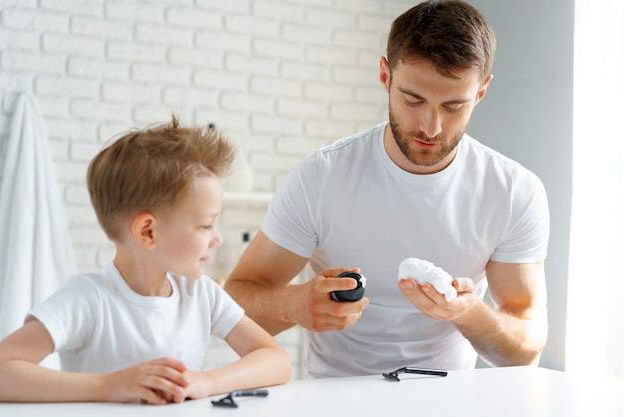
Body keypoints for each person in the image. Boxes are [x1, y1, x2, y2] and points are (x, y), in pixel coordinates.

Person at [224, 0, 550, 378]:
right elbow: (233, 301)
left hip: (448, 400)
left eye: (453, 106)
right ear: (385, 76)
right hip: (335, 398)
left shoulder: (513, 191)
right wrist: (293, 304)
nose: (431, 127)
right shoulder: (321, 176)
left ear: (481, 92)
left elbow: (524, 352)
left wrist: (468, 312)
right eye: (414, 100)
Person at [0, 115, 291, 403]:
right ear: (148, 232)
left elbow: (276, 360)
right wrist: (106, 386)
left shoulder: (202, 294)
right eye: (206, 225)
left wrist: (205, 382)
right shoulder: (87, 298)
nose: (217, 238)